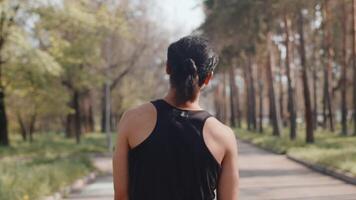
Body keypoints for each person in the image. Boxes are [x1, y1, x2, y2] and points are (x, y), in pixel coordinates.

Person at [113, 35, 239, 200]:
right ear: (208, 78)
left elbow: (121, 196)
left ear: (168, 68)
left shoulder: (132, 120)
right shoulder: (223, 136)